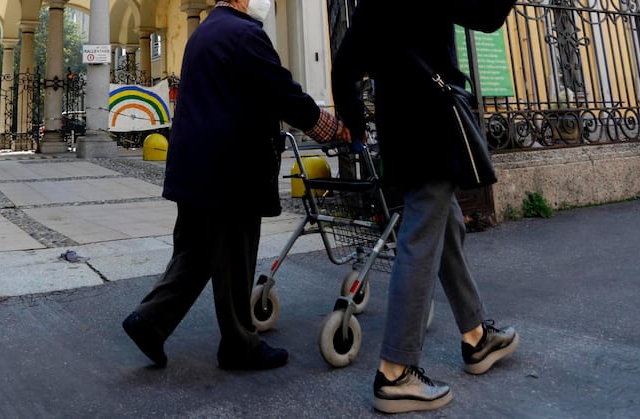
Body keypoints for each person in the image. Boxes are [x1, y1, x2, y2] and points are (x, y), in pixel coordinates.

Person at [122, 0, 349, 371]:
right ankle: (239, 346)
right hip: (228, 170)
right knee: (234, 258)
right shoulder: (244, 34)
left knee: (195, 254)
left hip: (196, 166)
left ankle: (148, 322)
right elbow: (282, 93)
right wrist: (330, 128)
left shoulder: (207, 31)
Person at [331, 0, 519, 413]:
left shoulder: (367, 7)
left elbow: (343, 68)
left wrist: (357, 125)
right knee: (420, 240)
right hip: (434, 125)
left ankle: (476, 336)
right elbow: (487, 17)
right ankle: (396, 372)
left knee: (444, 226)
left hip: (399, 133)